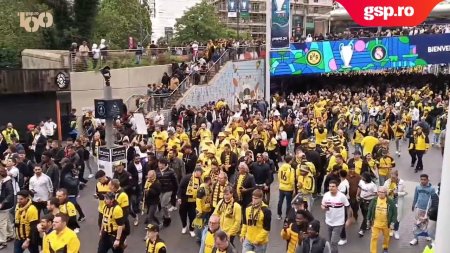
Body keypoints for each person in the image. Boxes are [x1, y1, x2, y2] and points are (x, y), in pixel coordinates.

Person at [321, 180, 352, 253]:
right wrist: (323, 207)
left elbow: (348, 207)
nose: (331, 188)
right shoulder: (326, 195)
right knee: (330, 241)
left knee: (333, 243)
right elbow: (322, 205)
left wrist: (349, 219)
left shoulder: (342, 196)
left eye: (333, 186)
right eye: (330, 186)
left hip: (339, 223)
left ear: (337, 187)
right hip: (329, 222)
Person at [367, 186, 397, 253]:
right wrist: (368, 220)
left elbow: (395, 213)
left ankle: (385, 247)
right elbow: (370, 210)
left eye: (382, 192)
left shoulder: (390, 202)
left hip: (386, 224)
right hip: (376, 223)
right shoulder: (374, 200)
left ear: (386, 193)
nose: (380, 193)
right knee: (374, 237)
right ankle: (373, 251)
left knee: (386, 237)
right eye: (379, 192)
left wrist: (392, 223)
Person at [240, 189, 271, 253]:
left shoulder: (266, 211)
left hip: (260, 242)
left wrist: (257, 240)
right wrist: (242, 234)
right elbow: (245, 223)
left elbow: (266, 229)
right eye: (253, 198)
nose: (254, 200)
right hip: (248, 239)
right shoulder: (248, 207)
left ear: (261, 198)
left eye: (256, 198)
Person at [410, 174, 437, 246]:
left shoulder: (432, 189)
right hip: (419, 208)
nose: (423, 181)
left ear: (428, 180)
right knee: (417, 223)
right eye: (421, 179)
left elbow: (434, 200)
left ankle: (427, 235)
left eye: (424, 179)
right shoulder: (418, 187)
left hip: (428, 209)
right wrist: (413, 204)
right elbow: (415, 196)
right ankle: (415, 238)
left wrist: (432, 209)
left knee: (427, 223)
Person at [178, 167, 203, 237]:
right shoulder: (187, 178)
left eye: (200, 174)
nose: (199, 176)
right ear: (195, 172)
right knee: (182, 214)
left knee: (192, 215)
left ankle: (191, 229)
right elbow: (180, 187)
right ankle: (184, 226)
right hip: (184, 199)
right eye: (199, 174)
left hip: (193, 201)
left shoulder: (200, 180)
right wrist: (179, 197)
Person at [383, 169, 406, 240]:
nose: (392, 177)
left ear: (397, 175)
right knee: (390, 216)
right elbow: (384, 191)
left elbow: (405, 192)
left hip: (398, 202)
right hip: (390, 202)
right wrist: (388, 192)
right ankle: (391, 230)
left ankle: (396, 231)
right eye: (391, 175)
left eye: (394, 176)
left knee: (397, 217)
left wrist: (397, 193)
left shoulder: (402, 182)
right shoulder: (387, 182)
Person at [357, 172, 377, 237]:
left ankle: (362, 229)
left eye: (363, 177)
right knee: (364, 214)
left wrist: (369, 194)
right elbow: (359, 188)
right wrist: (357, 195)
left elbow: (375, 193)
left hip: (369, 201)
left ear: (366, 178)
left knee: (366, 215)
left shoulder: (373, 185)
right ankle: (368, 222)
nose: (362, 178)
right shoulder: (361, 182)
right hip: (362, 200)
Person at [0, 167, 14, 249]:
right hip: (5, 205)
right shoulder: (3, 181)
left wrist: (3, 203)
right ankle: (10, 234)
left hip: (4, 206)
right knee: (7, 220)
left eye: (2, 171)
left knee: (1, 224)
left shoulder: (7, 182)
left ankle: (2, 241)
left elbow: (10, 194)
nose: (1, 173)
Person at [277, 156, 295, 220]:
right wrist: (294, 188)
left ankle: (279, 214)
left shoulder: (281, 168)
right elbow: (292, 180)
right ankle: (287, 216)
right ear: (290, 161)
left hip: (281, 187)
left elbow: (279, 177)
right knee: (288, 203)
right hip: (288, 188)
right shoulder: (291, 169)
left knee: (280, 202)